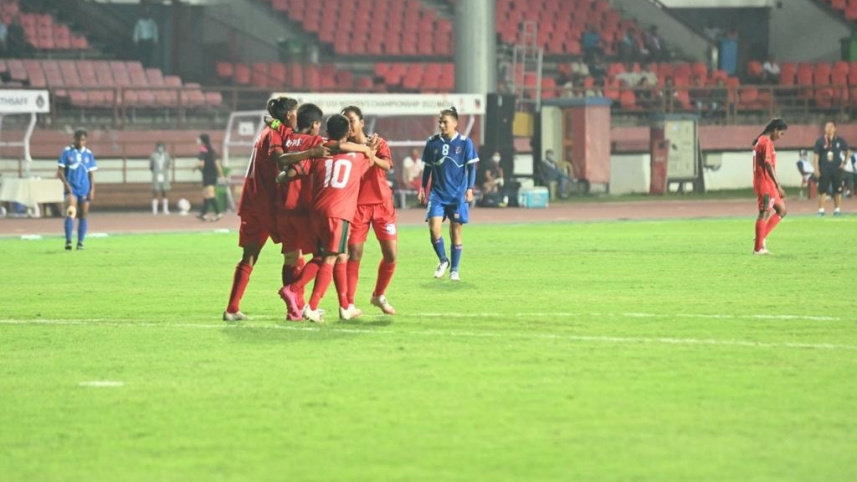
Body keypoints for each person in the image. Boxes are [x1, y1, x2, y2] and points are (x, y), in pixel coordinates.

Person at [284, 114, 376, 323]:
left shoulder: (318, 153)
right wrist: (368, 148)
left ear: (327, 132)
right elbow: (371, 159)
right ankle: (308, 303)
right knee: (330, 258)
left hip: (316, 212)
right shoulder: (357, 157)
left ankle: (345, 307)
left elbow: (298, 169)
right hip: (338, 212)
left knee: (334, 255)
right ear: (347, 133)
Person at [222, 96, 302, 322]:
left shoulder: (265, 133)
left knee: (249, 256)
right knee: (294, 256)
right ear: (289, 115)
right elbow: (282, 164)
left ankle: (232, 308)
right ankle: (296, 309)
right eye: (296, 112)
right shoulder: (278, 134)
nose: (298, 116)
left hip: (253, 204)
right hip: (273, 205)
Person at [342, 106, 398, 316]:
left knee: (391, 255)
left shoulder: (377, 142)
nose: (349, 125)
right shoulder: (343, 147)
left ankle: (378, 295)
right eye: (345, 121)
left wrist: (370, 155)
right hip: (356, 207)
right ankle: (348, 303)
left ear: (362, 122)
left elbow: (387, 165)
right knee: (354, 254)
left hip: (382, 205)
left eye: (352, 120)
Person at [419, 106, 478, 282]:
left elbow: (471, 167)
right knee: (433, 228)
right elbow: (428, 168)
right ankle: (443, 260)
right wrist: (423, 188)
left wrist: (470, 188)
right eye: (440, 122)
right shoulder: (432, 142)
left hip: (457, 194)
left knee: (456, 230)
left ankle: (455, 269)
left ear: (455, 123)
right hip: (437, 194)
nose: (442, 125)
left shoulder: (465, 142)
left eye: (445, 122)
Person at [56, 129, 97, 251]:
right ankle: (68, 241)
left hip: (84, 189)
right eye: (78, 139)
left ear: (86, 140)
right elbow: (60, 171)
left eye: (83, 140)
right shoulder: (67, 152)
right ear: (74, 139)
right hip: (72, 189)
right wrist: (66, 184)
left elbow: (91, 174)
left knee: (83, 215)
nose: (80, 142)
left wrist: (92, 189)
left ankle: (80, 242)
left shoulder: (89, 154)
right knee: (71, 212)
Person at [752, 118, 788, 255]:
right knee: (764, 212)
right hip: (765, 183)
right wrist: (778, 184)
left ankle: (761, 237)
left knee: (782, 210)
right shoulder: (766, 142)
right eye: (781, 133)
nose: (781, 137)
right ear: (775, 130)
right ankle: (758, 248)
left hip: (768, 183)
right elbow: (768, 164)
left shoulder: (761, 140)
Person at [812, 121, 849, 216]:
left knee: (838, 190)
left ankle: (837, 210)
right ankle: (821, 210)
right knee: (822, 190)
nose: (829, 129)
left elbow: (847, 151)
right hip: (824, 169)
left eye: (831, 127)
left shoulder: (839, 140)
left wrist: (844, 162)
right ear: (824, 129)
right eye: (827, 127)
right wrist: (816, 169)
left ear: (835, 129)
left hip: (837, 169)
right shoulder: (820, 141)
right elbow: (816, 156)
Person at [192, 133, 224, 221]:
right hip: (212, 174)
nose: (197, 141)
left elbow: (201, 163)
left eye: (199, 139)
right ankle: (203, 214)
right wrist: (221, 175)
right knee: (206, 194)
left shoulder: (203, 150)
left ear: (202, 140)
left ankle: (218, 213)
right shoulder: (212, 150)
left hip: (208, 174)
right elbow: (217, 164)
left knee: (210, 194)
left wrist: (194, 168)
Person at [149, 142, 172, 215]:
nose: (160, 148)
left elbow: (168, 165)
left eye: (162, 146)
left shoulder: (167, 155)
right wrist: (156, 171)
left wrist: (163, 171)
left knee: (164, 192)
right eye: (159, 147)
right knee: (155, 191)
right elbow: (151, 166)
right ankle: (154, 210)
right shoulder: (153, 155)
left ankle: (165, 209)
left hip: (164, 175)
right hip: (156, 175)